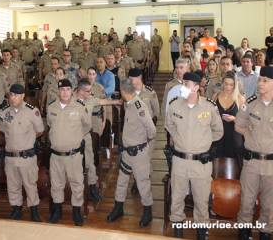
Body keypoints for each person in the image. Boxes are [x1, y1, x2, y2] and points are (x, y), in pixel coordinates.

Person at [165, 72, 224, 239]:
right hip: (180, 161)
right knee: (176, 198)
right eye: (183, 83)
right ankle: (177, 229)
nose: (183, 87)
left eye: (187, 84)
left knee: (201, 200)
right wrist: (178, 138)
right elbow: (169, 125)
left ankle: (201, 231)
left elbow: (218, 131)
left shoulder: (209, 107)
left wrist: (203, 143)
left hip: (201, 163)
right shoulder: (175, 105)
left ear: (197, 87)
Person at [107, 79, 156, 227]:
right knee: (122, 181)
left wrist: (141, 142)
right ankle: (119, 207)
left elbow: (152, 130)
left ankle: (148, 211)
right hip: (127, 153)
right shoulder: (128, 104)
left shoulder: (139, 106)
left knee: (142, 183)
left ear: (123, 91)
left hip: (138, 153)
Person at [235, 66, 273, 240]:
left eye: (265, 81)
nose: (260, 83)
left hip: (271, 164)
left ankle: (265, 232)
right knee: (246, 201)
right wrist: (250, 134)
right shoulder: (250, 103)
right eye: (260, 80)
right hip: (251, 162)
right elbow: (238, 125)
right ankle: (244, 232)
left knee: (269, 205)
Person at [47, 79, 91, 226]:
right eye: (62, 89)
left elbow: (86, 126)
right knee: (56, 185)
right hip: (56, 155)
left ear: (71, 91)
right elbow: (49, 125)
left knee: (77, 183)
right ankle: (57, 211)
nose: (64, 92)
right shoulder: (51, 107)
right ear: (58, 91)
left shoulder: (79, 107)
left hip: (73, 155)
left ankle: (77, 212)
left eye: (67, 89)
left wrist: (74, 139)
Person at [0, 84, 44, 222]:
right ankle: (16, 209)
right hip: (10, 157)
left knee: (30, 185)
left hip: (26, 157)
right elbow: (2, 130)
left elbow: (40, 130)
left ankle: (34, 210)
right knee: (13, 186)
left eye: (16, 95)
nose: (13, 98)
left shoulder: (32, 111)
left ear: (23, 96)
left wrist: (27, 139)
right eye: (11, 95)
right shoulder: (4, 112)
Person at [74, 78, 121, 202]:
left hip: (86, 136)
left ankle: (92, 187)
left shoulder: (90, 100)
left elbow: (102, 101)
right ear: (81, 91)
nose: (91, 93)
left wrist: (117, 101)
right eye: (88, 91)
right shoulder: (70, 100)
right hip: (72, 137)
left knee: (90, 162)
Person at [211, 72, 245, 168]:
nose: (228, 87)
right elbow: (209, 116)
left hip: (234, 138)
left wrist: (234, 119)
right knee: (217, 168)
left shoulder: (240, 99)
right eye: (226, 84)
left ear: (235, 85)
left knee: (236, 169)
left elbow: (245, 121)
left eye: (231, 85)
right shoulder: (215, 96)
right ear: (222, 83)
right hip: (218, 137)